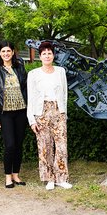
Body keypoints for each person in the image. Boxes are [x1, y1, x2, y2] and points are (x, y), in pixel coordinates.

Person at [27, 41, 72, 190]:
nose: (47, 56)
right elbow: (30, 97)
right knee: (45, 146)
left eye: (49, 53)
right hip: (41, 111)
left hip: (58, 111)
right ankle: (49, 178)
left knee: (61, 146)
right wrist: (32, 120)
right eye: (44, 53)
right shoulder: (33, 74)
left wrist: (63, 113)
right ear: (40, 56)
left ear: (53, 55)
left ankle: (61, 177)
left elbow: (64, 93)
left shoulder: (60, 71)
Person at [0, 40, 28, 188]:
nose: (6, 54)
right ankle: (7, 177)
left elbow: (25, 89)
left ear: (13, 52)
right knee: (10, 145)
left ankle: (16, 175)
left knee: (18, 145)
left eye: (8, 51)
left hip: (21, 111)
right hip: (5, 113)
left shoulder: (20, 68)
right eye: (3, 51)